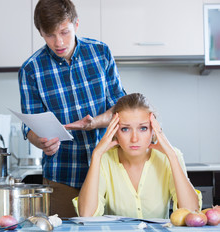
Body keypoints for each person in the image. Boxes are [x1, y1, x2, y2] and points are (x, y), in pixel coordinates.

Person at [18, 0, 125, 217]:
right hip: (62, 178)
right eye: (50, 35)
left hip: (109, 171)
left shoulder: (100, 53)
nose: (59, 42)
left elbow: (120, 107)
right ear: (40, 32)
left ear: (76, 24)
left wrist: (94, 123)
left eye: (65, 32)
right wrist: (41, 142)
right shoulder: (31, 70)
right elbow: (30, 127)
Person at [74, 93, 202, 218]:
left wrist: (172, 156)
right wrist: (96, 155)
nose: (134, 139)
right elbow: (86, 215)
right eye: (125, 129)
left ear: (153, 129)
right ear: (114, 130)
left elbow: (191, 213)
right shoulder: (104, 159)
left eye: (143, 128)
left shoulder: (170, 157)